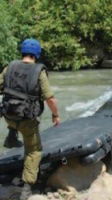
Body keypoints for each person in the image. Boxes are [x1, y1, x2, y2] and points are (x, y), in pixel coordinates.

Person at [0, 38, 60, 200]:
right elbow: (50, 99)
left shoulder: (9, 67)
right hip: (27, 120)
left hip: (8, 116)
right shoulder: (39, 71)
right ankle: (27, 187)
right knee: (33, 151)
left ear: (23, 52)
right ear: (37, 54)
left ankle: (12, 135)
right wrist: (55, 114)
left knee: (14, 112)